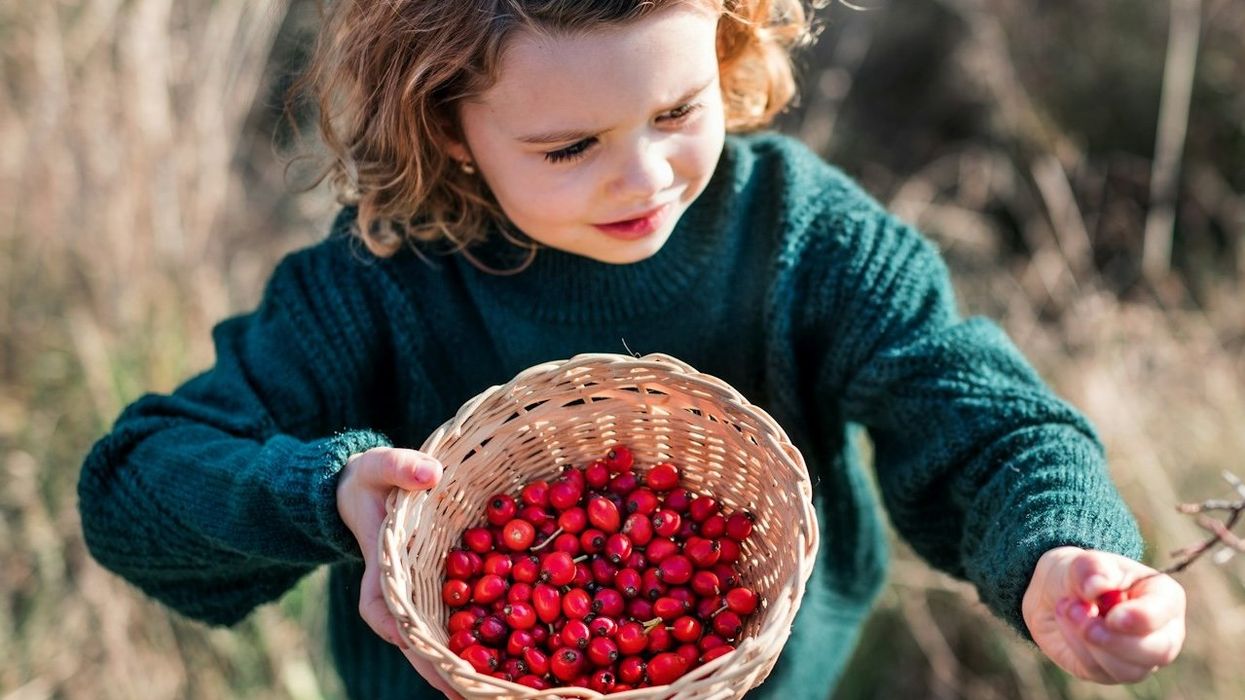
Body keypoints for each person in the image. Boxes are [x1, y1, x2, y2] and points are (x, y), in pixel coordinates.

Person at [78, 1, 1186, 698]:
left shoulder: (806, 237)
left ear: (734, 35)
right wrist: (325, 493)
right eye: (570, 147)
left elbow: (979, 414)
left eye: (678, 108)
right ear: (444, 124)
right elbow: (136, 488)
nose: (646, 177)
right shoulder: (379, 280)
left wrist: (1061, 549)